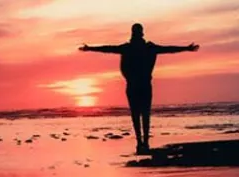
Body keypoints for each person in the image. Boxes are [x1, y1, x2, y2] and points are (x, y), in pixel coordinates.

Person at [79, 23, 199, 154]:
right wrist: (187, 48)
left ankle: (140, 142)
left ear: (133, 33)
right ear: (142, 33)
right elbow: (168, 49)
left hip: (134, 85)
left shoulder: (131, 48)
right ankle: (144, 142)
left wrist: (90, 48)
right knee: (144, 114)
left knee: (136, 114)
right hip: (143, 85)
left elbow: (108, 49)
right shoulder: (146, 48)